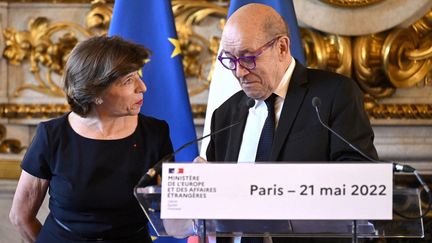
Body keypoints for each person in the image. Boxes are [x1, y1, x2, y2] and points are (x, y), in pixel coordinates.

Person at [200, 3, 378, 243]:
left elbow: (359, 181)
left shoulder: (332, 95)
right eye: (230, 60)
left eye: (248, 58)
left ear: (282, 47)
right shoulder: (225, 114)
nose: (239, 72)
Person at [9, 36, 173, 243]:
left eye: (137, 76)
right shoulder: (52, 136)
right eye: (128, 81)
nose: (142, 87)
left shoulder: (155, 133)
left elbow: (171, 215)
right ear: (95, 92)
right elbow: (21, 217)